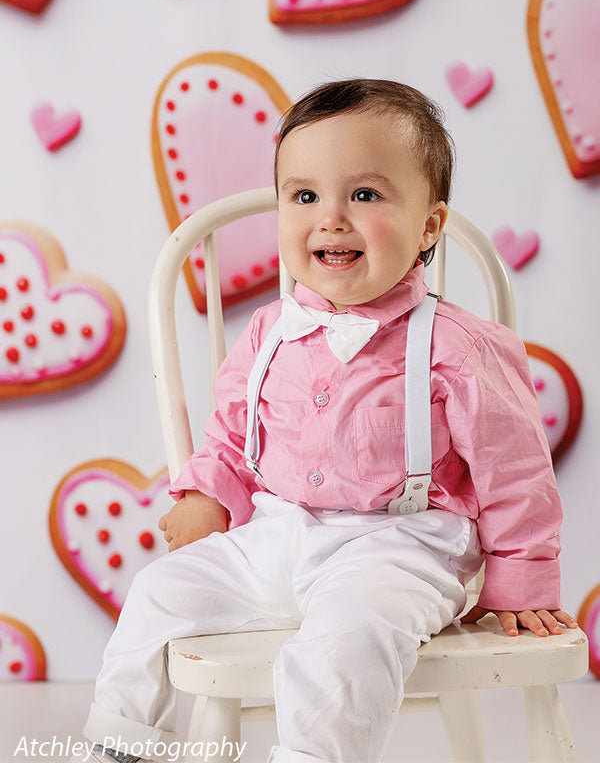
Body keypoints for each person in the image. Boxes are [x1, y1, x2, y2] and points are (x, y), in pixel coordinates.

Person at [74, 79, 578, 763]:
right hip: (275, 533)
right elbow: (233, 434)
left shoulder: (457, 346)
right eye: (304, 195)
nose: (330, 217)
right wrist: (206, 493)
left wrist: (519, 576)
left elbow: (514, 469)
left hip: (401, 545)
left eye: (365, 195)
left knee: (345, 644)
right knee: (159, 594)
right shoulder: (268, 333)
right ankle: (122, 744)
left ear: (429, 225)